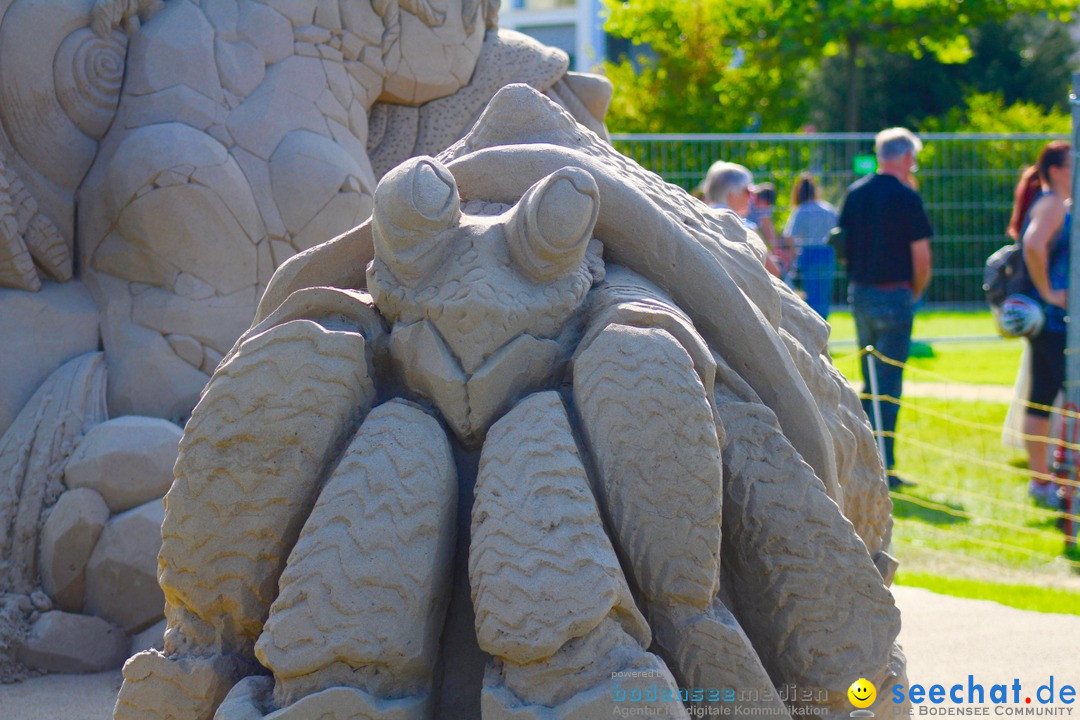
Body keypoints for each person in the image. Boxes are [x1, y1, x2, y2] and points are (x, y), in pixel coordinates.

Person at [838, 127, 933, 487]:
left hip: (860, 295)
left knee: (870, 380)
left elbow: (843, 245)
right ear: (907, 157)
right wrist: (914, 291)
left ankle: (864, 462)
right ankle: (885, 468)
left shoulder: (855, 192)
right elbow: (921, 257)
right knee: (890, 385)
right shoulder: (907, 198)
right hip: (895, 295)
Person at [1008, 140, 1072, 507]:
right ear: (1056, 169)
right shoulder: (1050, 205)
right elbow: (1033, 244)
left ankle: (1045, 481)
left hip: (1051, 323)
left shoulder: (1056, 204)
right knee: (1058, 398)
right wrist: (1049, 292)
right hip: (1053, 323)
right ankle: (1051, 481)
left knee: (1044, 396)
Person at [701, 161, 782, 277]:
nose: (752, 197)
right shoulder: (746, 229)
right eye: (747, 191)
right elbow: (774, 272)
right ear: (731, 194)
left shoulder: (698, 219)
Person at [783, 173, 838, 318]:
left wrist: (794, 253)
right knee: (824, 294)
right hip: (827, 252)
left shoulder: (801, 211)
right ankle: (824, 324)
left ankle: (814, 327)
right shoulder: (828, 208)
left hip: (808, 253)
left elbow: (789, 235)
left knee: (811, 294)